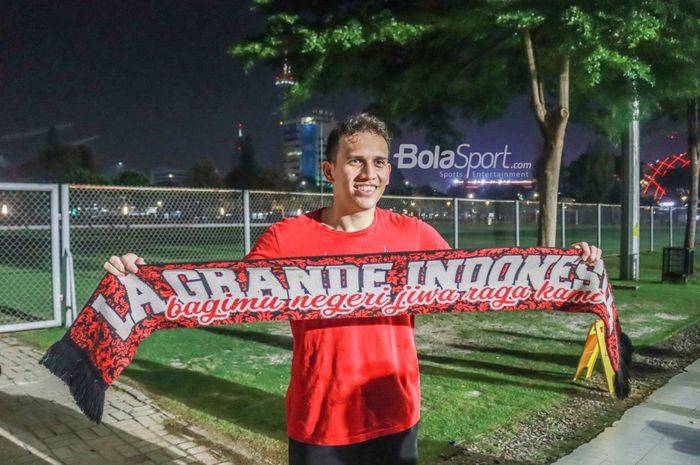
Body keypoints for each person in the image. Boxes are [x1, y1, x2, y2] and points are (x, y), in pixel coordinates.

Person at [104, 114, 602, 465]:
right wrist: (141, 279)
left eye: (380, 162)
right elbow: (223, 293)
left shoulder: (415, 236)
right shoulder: (287, 238)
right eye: (356, 161)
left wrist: (572, 269)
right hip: (319, 418)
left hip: (394, 410)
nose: (369, 174)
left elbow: (484, 281)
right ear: (329, 171)